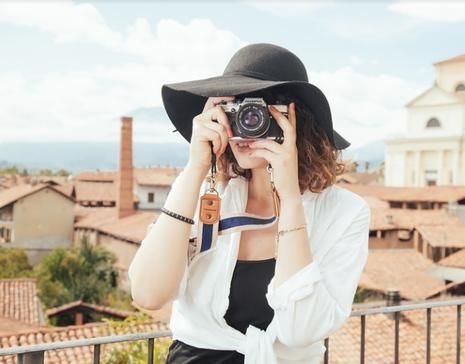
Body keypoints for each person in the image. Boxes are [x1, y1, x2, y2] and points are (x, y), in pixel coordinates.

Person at [127, 43, 371, 363]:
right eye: (234, 110)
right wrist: (196, 168)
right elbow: (148, 294)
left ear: (295, 121)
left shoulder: (345, 213)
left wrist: (290, 199)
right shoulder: (204, 195)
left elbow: (301, 330)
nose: (245, 125)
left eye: (258, 112)